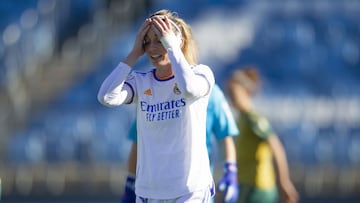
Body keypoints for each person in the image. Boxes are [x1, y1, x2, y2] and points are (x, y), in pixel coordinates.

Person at [98, 9, 215, 202]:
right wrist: (134, 53)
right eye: (147, 41)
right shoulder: (141, 82)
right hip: (149, 192)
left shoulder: (201, 74)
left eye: (160, 39)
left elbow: (189, 89)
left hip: (189, 190)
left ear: (179, 42)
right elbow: (106, 96)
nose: (152, 48)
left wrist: (172, 48)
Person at [121, 83, 240, 203]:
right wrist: (131, 181)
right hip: (155, 189)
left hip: (193, 188)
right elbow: (138, 142)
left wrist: (231, 170)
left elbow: (226, 135)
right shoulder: (151, 89)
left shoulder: (208, 88)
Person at [226, 66, 299, 203]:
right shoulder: (241, 119)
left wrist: (284, 182)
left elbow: (276, 147)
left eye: (233, 92)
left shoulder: (254, 119)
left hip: (257, 188)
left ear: (246, 91)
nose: (230, 97)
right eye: (228, 92)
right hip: (244, 186)